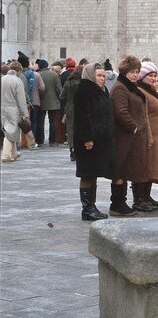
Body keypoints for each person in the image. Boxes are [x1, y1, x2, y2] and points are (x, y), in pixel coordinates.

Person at [72, 63, 116, 220]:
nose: (102, 79)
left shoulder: (100, 90)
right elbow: (83, 116)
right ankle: (87, 209)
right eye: (99, 75)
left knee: (93, 173)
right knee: (87, 173)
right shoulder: (84, 90)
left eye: (104, 76)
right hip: (87, 141)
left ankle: (91, 206)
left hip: (98, 140)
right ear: (91, 75)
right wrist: (88, 138)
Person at [109, 55, 148, 216]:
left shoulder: (130, 87)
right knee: (121, 170)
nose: (135, 75)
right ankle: (117, 204)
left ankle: (121, 203)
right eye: (132, 71)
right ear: (125, 71)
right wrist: (133, 127)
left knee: (127, 170)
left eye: (137, 72)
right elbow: (120, 111)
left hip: (132, 138)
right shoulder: (120, 88)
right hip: (124, 137)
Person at [135, 62, 158, 212]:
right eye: (150, 76)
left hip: (157, 136)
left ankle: (146, 196)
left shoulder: (151, 91)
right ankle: (139, 199)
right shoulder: (141, 91)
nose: (153, 78)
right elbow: (144, 115)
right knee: (144, 168)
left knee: (152, 167)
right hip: (148, 136)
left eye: (155, 75)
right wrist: (148, 135)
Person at [1, 62, 30, 163]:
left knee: (9, 129)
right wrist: (25, 113)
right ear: (19, 70)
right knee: (11, 131)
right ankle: (5, 154)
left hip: (2, 108)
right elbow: (21, 99)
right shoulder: (17, 81)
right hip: (13, 108)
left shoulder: (2, 79)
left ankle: (13, 152)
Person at [60, 64, 84, 160]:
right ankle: (79, 150)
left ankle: (72, 149)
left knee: (70, 130)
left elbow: (62, 96)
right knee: (80, 129)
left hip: (70, 109)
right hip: (82, 108)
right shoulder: (83, 83)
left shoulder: (68, 82)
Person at [36, 59, 62, 146]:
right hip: (53, 101)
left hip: (41, 101)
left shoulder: (38, 74)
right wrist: (60, 98)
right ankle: (52, 140)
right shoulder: (54, 74)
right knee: (53, 122)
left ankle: (40, 140)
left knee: (40, 122)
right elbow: (59, 88)